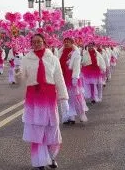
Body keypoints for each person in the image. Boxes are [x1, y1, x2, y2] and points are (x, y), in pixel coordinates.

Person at [21, 34, 69, 170]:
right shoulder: (26, 59)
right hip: (34, 98)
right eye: (34, 42)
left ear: (44, 43)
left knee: (51, 128)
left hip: (49, 97)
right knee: (37, 129)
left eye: (39, 41)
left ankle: (51, 157)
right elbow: (22, 77)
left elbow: (59, 78)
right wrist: (19, 76)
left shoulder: (53, 59)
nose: (36, 44)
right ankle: (39, 161)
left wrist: (64, 98)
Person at [58, 37, 88, 124]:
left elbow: (77, 66)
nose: (66, 43)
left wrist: (75, 77)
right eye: (65, 42)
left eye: (68, 42)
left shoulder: (75, 53)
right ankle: (71, 117)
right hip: (62, 77)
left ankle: (82, 113)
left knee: (76, 97)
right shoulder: (60, 52)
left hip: (71, 77)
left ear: (72, 43)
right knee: (66, 98)